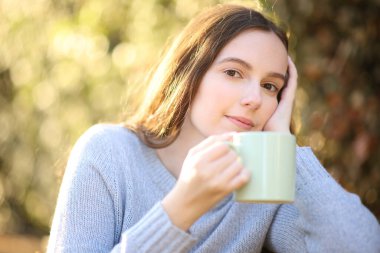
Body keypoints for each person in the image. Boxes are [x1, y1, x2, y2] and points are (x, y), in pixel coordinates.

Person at [47, 3, 380, 253]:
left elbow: (361, 245)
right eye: (233, 72)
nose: (254, 99)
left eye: (270, 86)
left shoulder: (263, 183)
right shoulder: (108, 153)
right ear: (189, 72)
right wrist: (182, 207)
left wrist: (285, 147)